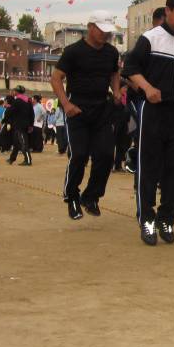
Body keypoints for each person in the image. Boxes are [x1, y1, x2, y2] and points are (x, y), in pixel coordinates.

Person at [123, 0, 174, 245]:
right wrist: (147, 88)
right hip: (153, 111)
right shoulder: (150, 39)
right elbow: (130, 69)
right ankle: (146, 220)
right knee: (149, 168)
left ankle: (166, 219)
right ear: (168, 11)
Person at [52, 12, 121, 220]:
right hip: (78, 109)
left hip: (102, 108)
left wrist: (116, 91)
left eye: (108, 32)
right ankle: (72, 196)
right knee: (79, 155)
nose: (105, 35)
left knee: (107, 154)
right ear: (90, 27)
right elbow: (56, 78)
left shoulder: (111, 52)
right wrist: (66, 104)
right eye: (102, 30)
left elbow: (114, 74)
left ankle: (91, 196)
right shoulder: (73, 52)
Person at [6, 86, 34, 166]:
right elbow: (32, 114)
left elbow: (10, 112)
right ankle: (12, 158)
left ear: (17, 92)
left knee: (23, 142)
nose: (13, 91)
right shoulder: (28, 100)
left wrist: (8, 107)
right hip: (25, 124)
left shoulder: (17, 101)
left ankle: (28, 160)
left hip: (19, 125)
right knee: (17, 142)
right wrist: (31, 125)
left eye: (14, 90)